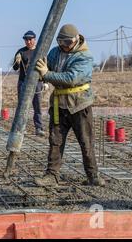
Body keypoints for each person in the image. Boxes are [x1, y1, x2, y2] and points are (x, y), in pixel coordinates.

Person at [34, 24, 105, 187]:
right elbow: (44, 67)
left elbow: (71, 78)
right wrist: (39, 72)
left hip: (79, 105)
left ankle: (92, 176)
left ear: (76, 40)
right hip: (59, 104)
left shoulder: (84, 56)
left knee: (86, 141)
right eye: (61, 42)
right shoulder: (55, 52)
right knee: (55, 141)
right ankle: (51, 176)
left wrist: (47, 74)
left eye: (67, 43)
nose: (64, 46)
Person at [13, 30, 47, 137]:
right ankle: (21, 128)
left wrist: (45, 82)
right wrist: (17, 61)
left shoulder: (40, 51)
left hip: (37, 82)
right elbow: (15, 68)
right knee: (23, 106)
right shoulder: (21, 52)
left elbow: (45, 68)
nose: (28, 42)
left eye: (30, 39)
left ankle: (39, 128)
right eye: (26, 40)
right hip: (23, 82)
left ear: (34, 40)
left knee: (37, 106)